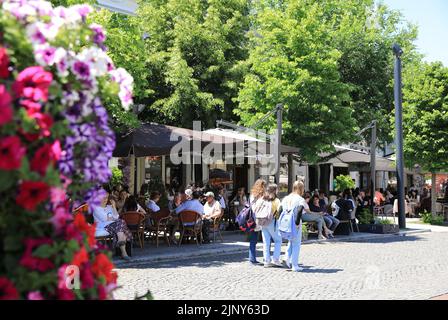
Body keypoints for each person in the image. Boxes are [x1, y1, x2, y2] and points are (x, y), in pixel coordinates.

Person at [92, 190, 132, 260]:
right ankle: (123, 252)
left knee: (120, 223)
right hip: (103, 227)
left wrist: (113, 206)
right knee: (121, 223)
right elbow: (105, 219)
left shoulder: (109, 207)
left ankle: (123, 250)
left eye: (106, 197)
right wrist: (112, 218)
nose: (105, 199)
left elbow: (116, 216)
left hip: (113, 225)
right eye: (103, 197)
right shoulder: (96, 208)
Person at [280, 180, 306, 272]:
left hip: (285, 222)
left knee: (291, 241)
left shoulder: (286, 198)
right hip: (294, 221)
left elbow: (280, 210)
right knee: (296, 244)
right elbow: (299, 211)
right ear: (301, 189)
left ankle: (286, 258)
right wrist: (297, 224)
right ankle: (295, 265)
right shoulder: (300, 199)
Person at [260, 184, 283, 268]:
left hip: (263, 222)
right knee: (278, 240)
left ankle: (266, 260)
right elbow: (279, 212)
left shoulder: (263, 199)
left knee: (266, 242)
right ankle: (275, 259)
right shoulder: (276, 200)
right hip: (271, 222)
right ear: (274, 191)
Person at [247, 179, 266, 265]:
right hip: (260, 218)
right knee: (265, 239)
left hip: (252, 218)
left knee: (253, 239)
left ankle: (252, 258)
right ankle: (266, 258)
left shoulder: (252, 195)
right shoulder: (262, 196)